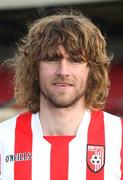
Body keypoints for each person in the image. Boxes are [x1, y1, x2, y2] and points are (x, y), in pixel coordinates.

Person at [0, 10, 123, 180]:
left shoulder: (119, 136)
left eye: (75, 60)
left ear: (92, 71)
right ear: (35, 68)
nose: (63, 71)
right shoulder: (3, 138)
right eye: (52, 59)